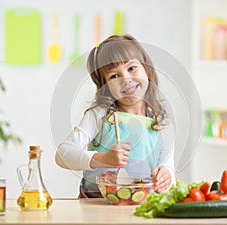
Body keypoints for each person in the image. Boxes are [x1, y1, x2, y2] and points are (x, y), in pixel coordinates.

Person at [55, 34, 176, 198]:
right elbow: (62, 154)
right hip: (95, 205)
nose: (126, 79)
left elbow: (167, 167)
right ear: (105, 86)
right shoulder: (99, 115)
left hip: (141, 205)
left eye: (132, 68)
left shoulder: (162, 123)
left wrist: (166, 176)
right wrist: (102, 158)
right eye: (114, 76)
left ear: (146, 69)